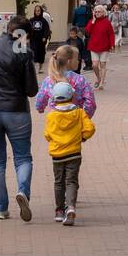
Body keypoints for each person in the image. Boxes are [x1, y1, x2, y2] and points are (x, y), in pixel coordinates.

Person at [0, 15, 38, 220]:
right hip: (16, 111)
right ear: (25, 34)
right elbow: (31, 90)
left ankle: (1, 209)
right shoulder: (24, 52)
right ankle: (22, 191)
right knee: (22, 157)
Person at [44, 80, 95, 226]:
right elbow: (90, 128)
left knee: (59, 182)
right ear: (72, 97)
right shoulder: (79, 113)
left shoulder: (51, 116)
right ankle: (71, 207)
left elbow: (47, 135)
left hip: (57, 154)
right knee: (71, 181)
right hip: (74, 153)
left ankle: (59, 211)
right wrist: (82, 137)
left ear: (54, 98)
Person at [35, 43, 96, 117]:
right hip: (75, 119)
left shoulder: (49, 80)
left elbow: (40, 99)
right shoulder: (79, 80)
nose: (78, 61)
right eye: (77, 59)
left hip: (56, 121)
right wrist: (86, 116)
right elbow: (90, 101)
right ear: (69, 61)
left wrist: (40, 108)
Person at [85, 4, 116, 91]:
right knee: (94, 65)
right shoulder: (92, 21)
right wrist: (93, 21)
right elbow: (87, 31)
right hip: (94, 46)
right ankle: (98, 78)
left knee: (102, 64)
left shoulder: (107, 22)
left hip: (104, 46)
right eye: (96, 11)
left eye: (99, 11)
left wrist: (112, 44)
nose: (97, 13)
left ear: (103, 13)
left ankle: (102, 83)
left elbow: (111, 34)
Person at [28, 4, 51, 73]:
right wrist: (28, 37)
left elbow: (46, 30)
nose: (37, 12)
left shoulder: (44, 21)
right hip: (33, 40)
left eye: (38, 11)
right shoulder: (31, 20)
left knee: (41, 54)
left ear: (41, 11)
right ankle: (33, 68)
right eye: (36, 11)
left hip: (41, 40)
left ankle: (40, 68)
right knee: (33, 53)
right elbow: (28, 29)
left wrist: (45, 36)